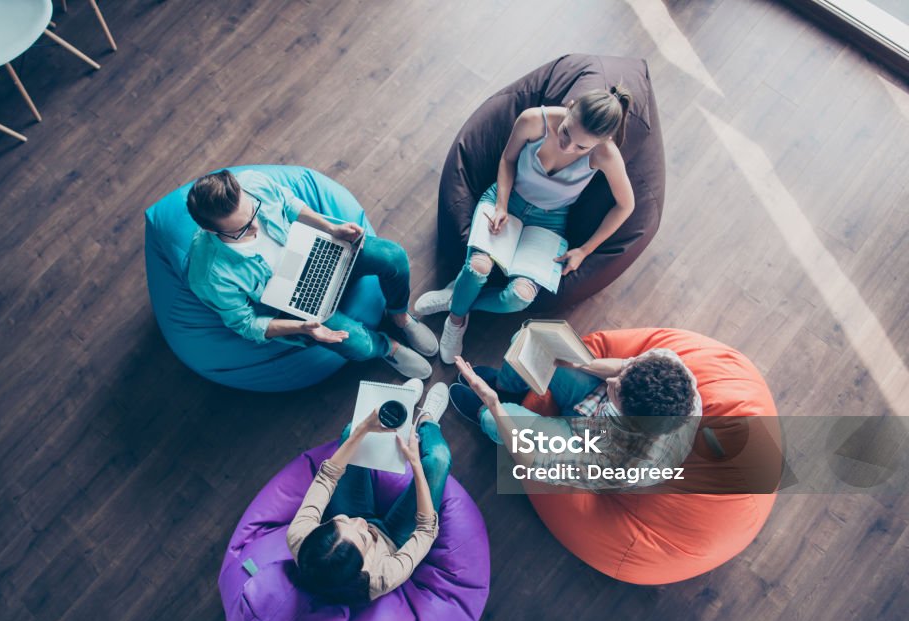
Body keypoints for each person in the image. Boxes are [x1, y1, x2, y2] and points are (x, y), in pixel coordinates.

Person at [416, 89, 636, 364]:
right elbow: (507, 160)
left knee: (520, 297)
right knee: (478, 267)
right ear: (569, 107)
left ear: (602, 142)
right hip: (507, 198)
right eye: (566, 133)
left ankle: (457, 298)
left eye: (581, 147)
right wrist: (501, 206)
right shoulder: (533, 120)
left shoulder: (606, 154)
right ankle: (456, 319)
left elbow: (626, 206)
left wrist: (585, 250)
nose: (568, 147)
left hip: (550, 220)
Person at [186, 169, 437, 379]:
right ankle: (388, 347)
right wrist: (302, 327)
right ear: (209, 230)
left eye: (253, 211)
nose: (255, 226)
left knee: (392, 256)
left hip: (313, 249)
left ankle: (399, 317)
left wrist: (331, 228)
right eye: (240, 230)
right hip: (289, 301)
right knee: (358, 346)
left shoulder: (252, 182)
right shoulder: (209, 275)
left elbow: (288, 203)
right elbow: (246, 324)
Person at [286, 380, 452, 604]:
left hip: (354, 506)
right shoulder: (380, 579)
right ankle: (427, 422)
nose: (359, 523)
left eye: (341, 522)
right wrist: (415, 464)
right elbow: (426, 531)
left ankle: (398, 412)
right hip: (394, 537)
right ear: (361, 567)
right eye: (363, 538)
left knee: (349, 432)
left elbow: (327, 476)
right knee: (438, 460)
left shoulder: (299, 537)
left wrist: (364, 429)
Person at [450, 343, 701, 490]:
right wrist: (577, 364)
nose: (611, 380)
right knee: (529, 346)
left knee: (497, 420)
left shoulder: (620, 464)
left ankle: (483, 410)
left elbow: (535, 464)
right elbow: (624, 368)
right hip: (596, 403)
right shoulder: (672, 371)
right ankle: (506, 385)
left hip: (587, 443)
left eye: (617, 390)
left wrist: (493, 404)